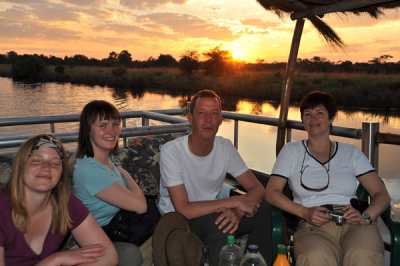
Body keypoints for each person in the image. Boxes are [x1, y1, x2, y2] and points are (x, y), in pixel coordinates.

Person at [266, 91, 391, 266]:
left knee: (363, 254)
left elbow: (381, 194)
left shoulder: (351, 152)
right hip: (312, 223)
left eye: (320, 113)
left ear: (331, 118)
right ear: (302, 120)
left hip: (352, 220)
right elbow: (271, 193)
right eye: (307, 114)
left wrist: (367, 217)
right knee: (317, 257)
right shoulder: (291, 151)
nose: (313, 118)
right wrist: (305, 213)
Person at [158, 89, 272, 266]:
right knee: (221, 224)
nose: (208, 120)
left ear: (220, 119)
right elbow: (184, 209)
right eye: (201, 113)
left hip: (212, 210)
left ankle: (253, 262)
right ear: (190, 118)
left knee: (263, 211)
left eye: (214, 114)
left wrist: (238, 212)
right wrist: (233, 203)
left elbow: (258, 189)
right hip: (178, 220)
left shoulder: (225, 147)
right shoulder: (172, 152)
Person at [0, 134, 118, 265]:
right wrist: (54, 260)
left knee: (128, 253)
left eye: (55, 163)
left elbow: (108, 255)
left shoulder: (66, 203)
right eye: (36, 160)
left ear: (61, 174)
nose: (46, 167)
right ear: (20, 166)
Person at [69, 100, 150, 266]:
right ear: (88, 130)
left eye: (115, 124)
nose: (111, 131)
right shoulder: (92, 171)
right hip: (96, 239)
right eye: (102, 125)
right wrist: (127, 176)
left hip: (113, 227)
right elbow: (141, 206)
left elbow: (70, 167)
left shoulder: (96, 158)